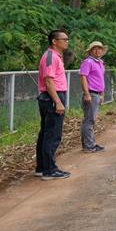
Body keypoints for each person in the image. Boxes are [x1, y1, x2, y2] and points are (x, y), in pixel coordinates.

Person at [36, 30, 71, 180]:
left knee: (46, 133)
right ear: (54, 41)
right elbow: (49, 81)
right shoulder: (50, 56)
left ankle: (43, 167)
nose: (67, 41)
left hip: (51, 97)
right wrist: (57, 102)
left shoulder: (55, 56)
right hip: (52, 97)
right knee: (52, 134)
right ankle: (49, 170)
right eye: (64, 39)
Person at [80, 41, 107, 153]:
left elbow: (100, 79)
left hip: (97, 94)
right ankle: (88, 146)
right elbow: (83, 77)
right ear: (90, 51)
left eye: (99, 48)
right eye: (94, 49)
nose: (97, 51)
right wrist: (86, 93)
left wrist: (102, 93)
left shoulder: (100, 62)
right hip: (91, 93)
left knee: (90, 120)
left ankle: (90, 144)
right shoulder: (88, 62)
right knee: (89, 121)